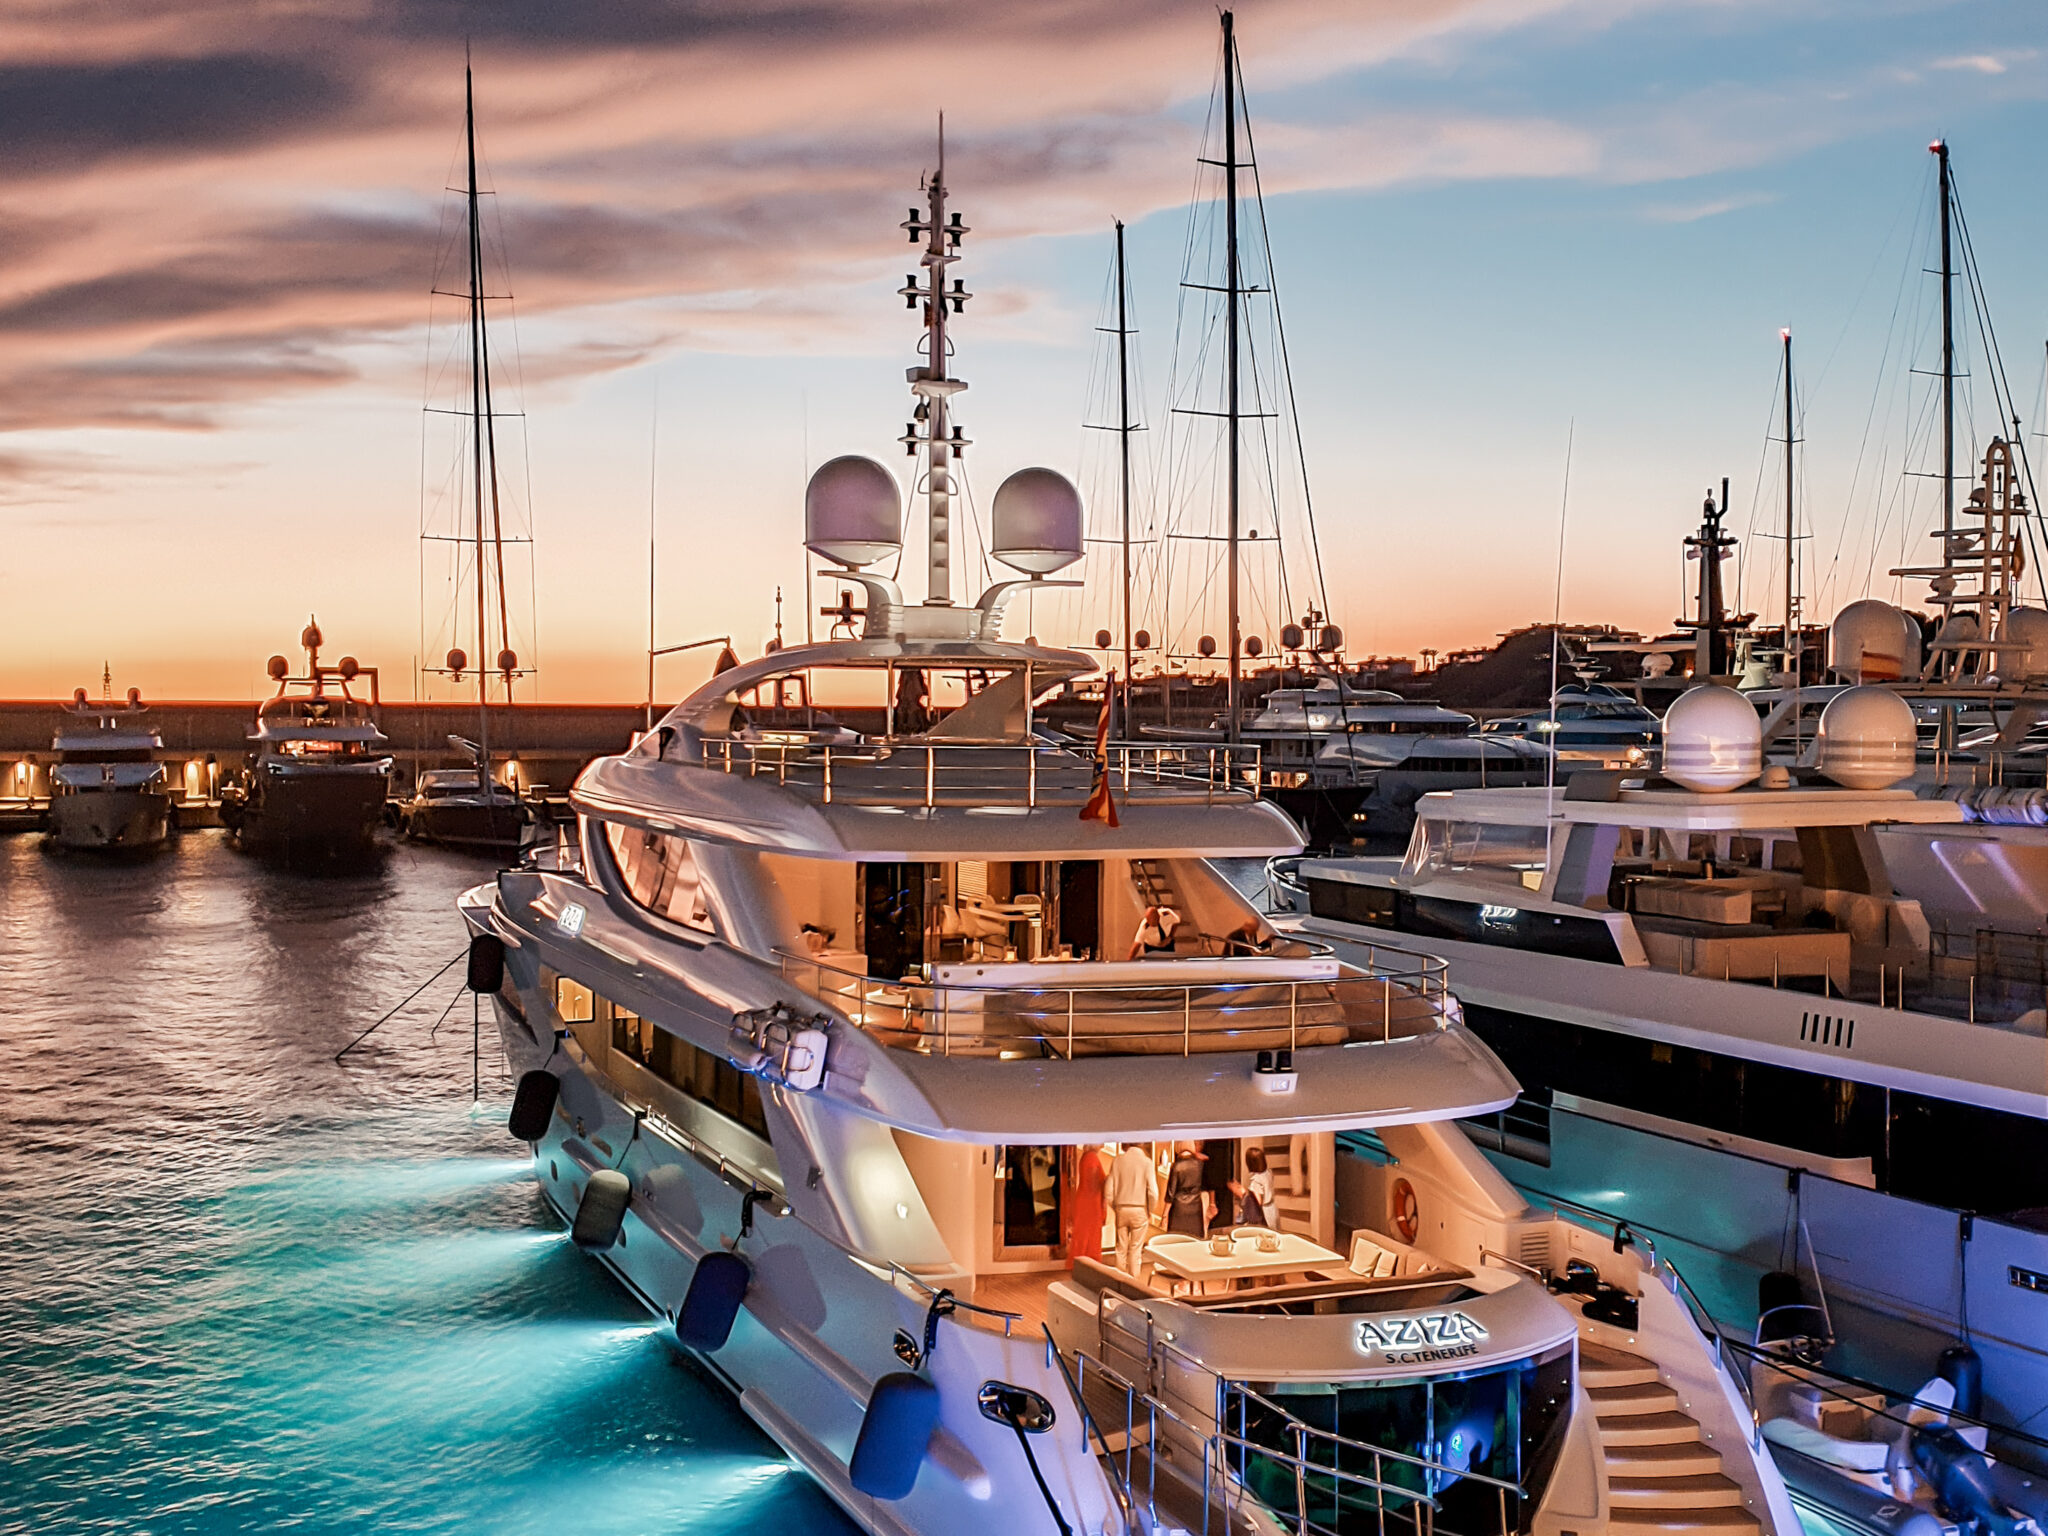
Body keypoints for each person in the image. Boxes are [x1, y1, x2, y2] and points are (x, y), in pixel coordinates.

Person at [1105, 1143, 1159, 1276]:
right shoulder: (1147, 1163)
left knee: (1120, 1249)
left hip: (1121, 1209)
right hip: (1140, 1209)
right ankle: (1133, 1283)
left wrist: (1115, 1206)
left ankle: (1118, 1282)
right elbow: (1153, 1192)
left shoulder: (1118, 1161)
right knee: (1135, 1250)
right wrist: (1150, 1210)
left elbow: (1108, 1191)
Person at [1065, 1143, 1109, 1267]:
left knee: (1084, 1235)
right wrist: (1107, 1181)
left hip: (1087, 1200)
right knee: (1089, 1235)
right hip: (1090, 1203)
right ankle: (1088, 1265)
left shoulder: (1087, 1156)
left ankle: (1082, 1264)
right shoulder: (1091, 1157)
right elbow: (1094, 1184)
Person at [1164, 1141, 1209, 1237]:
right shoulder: (1200, 1164)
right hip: (1196, 1207)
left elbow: (1170, 1193)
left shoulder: (1177, 1166)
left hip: (1179, 1208)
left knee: (1177, 1239)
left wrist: (1165, 1214)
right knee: (1194, 1238)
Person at [1230, 1146, 1274, 1229]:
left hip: (1264, 1212)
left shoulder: (1255, 1182)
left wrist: (1246, 1193)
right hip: (1272, 1208)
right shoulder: (1268, 1173)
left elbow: (1259, 1200)